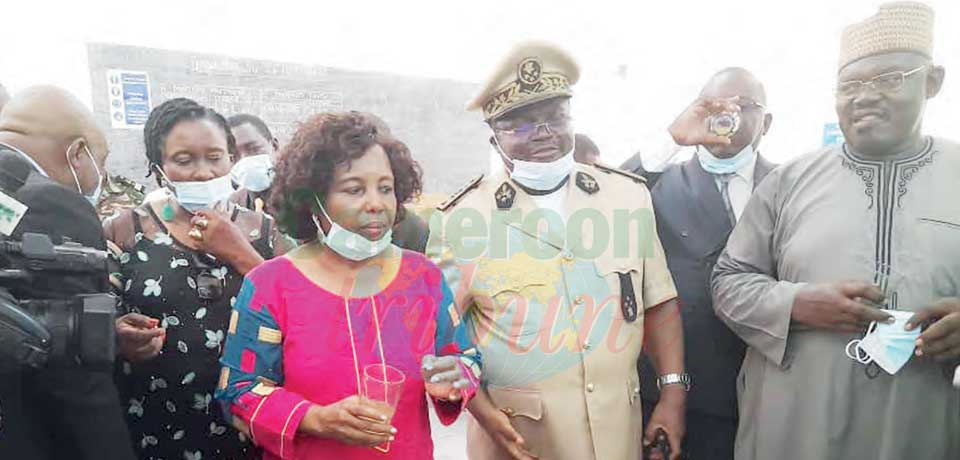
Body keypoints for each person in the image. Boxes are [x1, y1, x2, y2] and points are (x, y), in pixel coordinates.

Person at [712, 3, 960, 459]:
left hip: (924, 423)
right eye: (850, 85)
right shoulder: (787, 181)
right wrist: (796, 304)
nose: (865, 96)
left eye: (890, 79)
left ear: (933, 81)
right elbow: (728, 282)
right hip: (798, 426)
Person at [428, 41, 687, 460]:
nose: (544, 133)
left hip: (618, 434)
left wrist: (673, 395)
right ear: (494, 137)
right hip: (518, 439)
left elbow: (659, 304)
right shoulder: (462, 219)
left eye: (554, 117)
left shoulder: (627, 196)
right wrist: (480, 410)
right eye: (521, 124)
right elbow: (439, 338)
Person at [216, 111, 480, 459]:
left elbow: (465, 358)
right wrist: (315, 419)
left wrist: (455, 380)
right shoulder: (270, 285)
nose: (376, 204)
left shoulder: (424, 277)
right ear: (312, 200)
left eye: (385, 188)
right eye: (355, 189)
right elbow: (238, 392)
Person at [104, 98, 282, 460]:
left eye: (215, 157)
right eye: (184, 161)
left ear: (231, 160)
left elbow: (297, 312)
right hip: (155, 426)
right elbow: (98, 319)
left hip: (246, 426)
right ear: (159, 169)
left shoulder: (264, 231)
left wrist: (239, 252)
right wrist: (120, 336)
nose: (202, 172)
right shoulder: (125, 230)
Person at [629, 67, 776, 460]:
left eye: (744, 106)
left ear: (768, 122)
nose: (728, 115)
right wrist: (671, 139)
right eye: (713, 106)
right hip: (683, 394)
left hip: (768, 389)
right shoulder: (660, 184)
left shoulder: (789, 184)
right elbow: (602, 205)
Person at [0, 85, 136, 460]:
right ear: (78, 153)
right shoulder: (50, 203)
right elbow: (77, 378)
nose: (100, 181)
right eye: (101, 164)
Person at [228, 113, 280, 214]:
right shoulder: (233, 207)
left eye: (254, 149)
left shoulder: (306, 197)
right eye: (234, 156)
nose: (244, 159)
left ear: (274, 146)